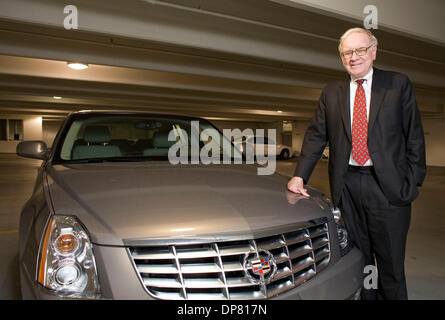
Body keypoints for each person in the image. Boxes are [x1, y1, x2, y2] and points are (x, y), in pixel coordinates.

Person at [287, 27, 426, 300]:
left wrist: (412, 183)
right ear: (341, 58)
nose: (353, 57)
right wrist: (299, 176)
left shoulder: (397, 84)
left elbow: (415, 137)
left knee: (390, 267)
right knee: (360, 262)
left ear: (373, 52)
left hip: (388, 188)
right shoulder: (332, 92)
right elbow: (316, 136)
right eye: (347, 52)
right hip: (347, 186)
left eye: (360, 50)